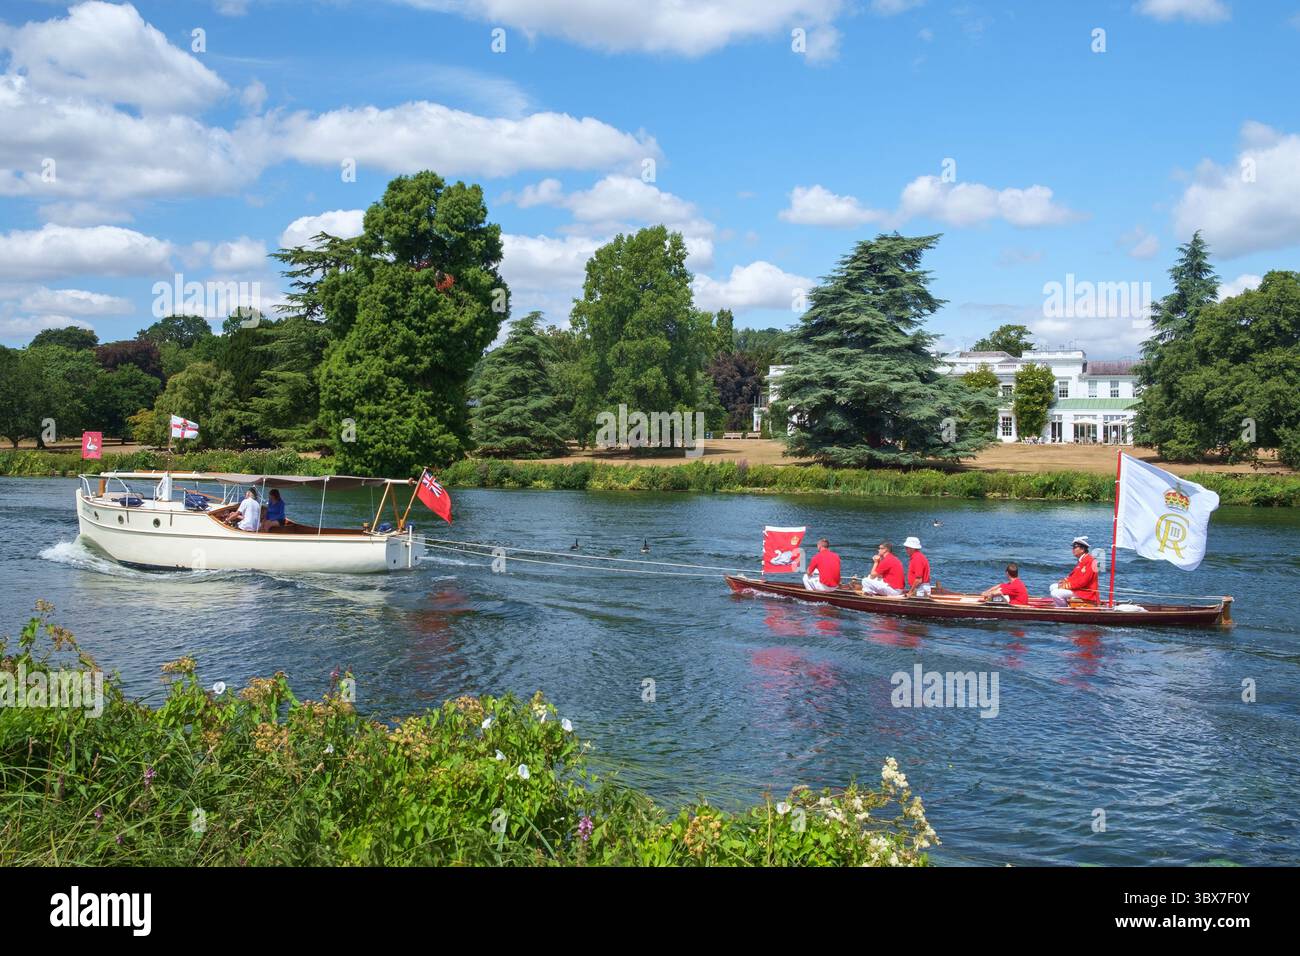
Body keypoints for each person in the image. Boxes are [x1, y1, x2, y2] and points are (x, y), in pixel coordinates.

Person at [1050, 535, 1099, 605]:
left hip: (1085, 592)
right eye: (1073, 547)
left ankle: (1063, 610)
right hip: (1079, 589)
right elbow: (1074, 576)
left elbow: (1083, 582)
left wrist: (1065, 586)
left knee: (1055, 593)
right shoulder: (1082, 560)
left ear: (1082, 549)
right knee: (1053, 587)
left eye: (1075, 547)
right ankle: (1061, 604)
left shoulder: (1090, 561)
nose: (1073, 550)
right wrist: (1064, 581)